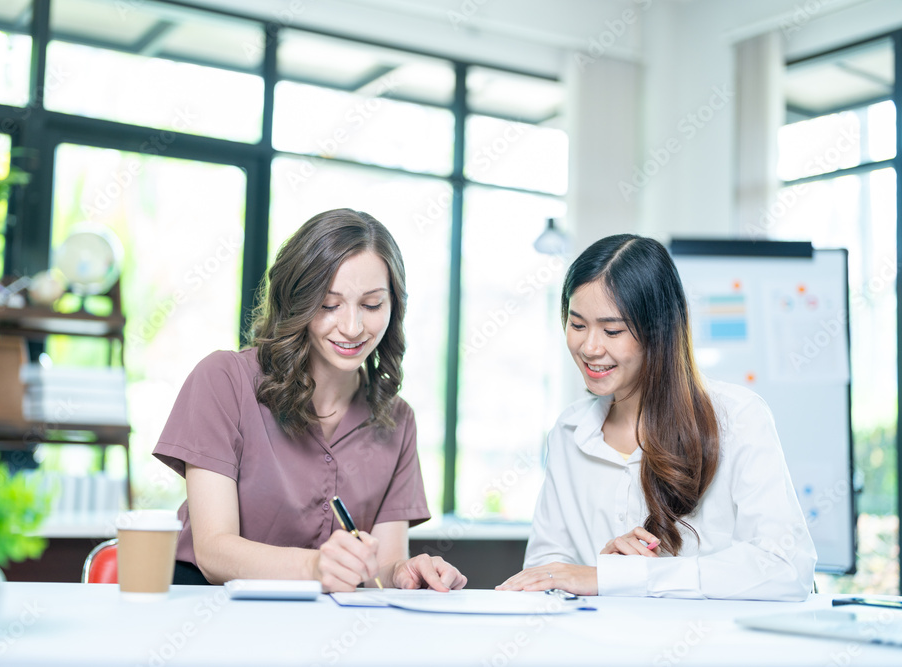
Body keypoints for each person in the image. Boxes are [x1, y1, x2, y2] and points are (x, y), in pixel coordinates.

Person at [153, 208, 467, 592]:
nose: (352, 327)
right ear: (296, 301)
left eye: (371, 305)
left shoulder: (397, 420)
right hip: (210, 609)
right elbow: (213, 552)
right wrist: (315, 566)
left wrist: (402, 572)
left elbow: (379, 569)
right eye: (329, 305)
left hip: (328, 621)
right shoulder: (223, 380)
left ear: (393, 307)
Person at [499, 234, 816, 600]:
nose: (590, 347)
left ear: (659, 331)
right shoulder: (569, 432)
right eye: (578, 324)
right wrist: (599, 574)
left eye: (612, 330)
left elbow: (785, 566)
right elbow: (545, 572)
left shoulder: (738, 418)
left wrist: (627, 577)